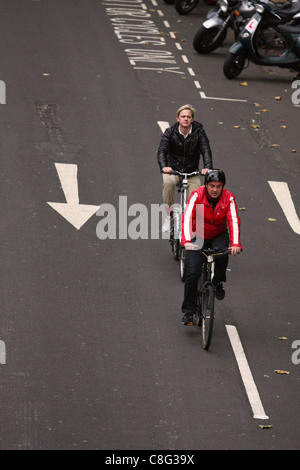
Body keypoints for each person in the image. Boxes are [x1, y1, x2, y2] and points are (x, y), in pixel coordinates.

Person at [181, 169, 242, 326]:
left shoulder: (228, 198)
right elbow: (187, 217)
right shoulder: (197, 195)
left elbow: (233, 220)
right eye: (212, 186)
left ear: (223, 187)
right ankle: (189, 311)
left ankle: (218, 281)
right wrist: (187, 241)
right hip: (198, 233)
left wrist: (235, 244)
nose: (215, 189)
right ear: (206, 185)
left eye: (218, 186)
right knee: (192, 272)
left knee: (222, 256)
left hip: (218, 234)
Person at [157, 104, 213, 232]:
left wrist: (207, 168)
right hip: (173, 170)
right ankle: (169, 216)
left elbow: (206, 150)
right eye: (183, 116)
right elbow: (162, 151)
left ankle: (189, 222)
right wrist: (164, 166)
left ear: (192, 119)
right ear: (178, 118)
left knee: (196, 196)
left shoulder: (199, 132)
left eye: (188, 117)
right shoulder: (170, 132)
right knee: (168, 183)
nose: (186, 119)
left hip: (191, 171)